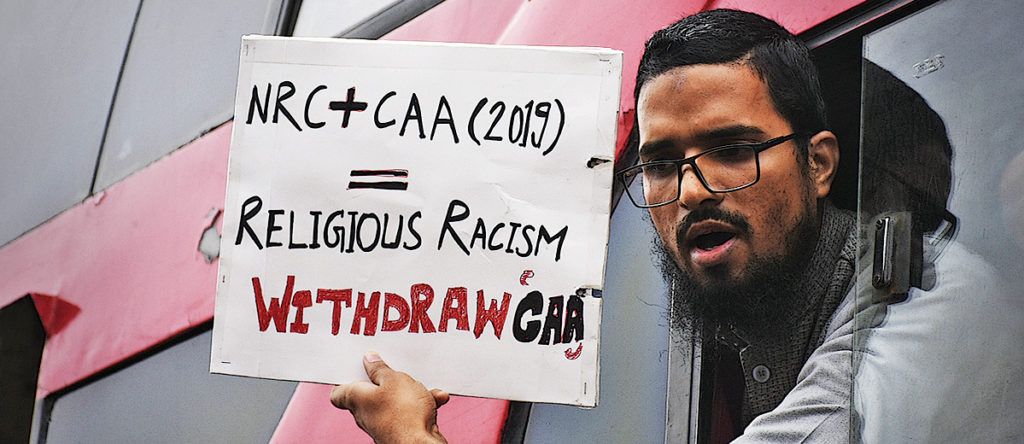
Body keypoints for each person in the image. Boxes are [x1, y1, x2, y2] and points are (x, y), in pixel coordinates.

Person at [333, 9, 848, 442]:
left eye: (732, 151)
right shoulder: (744, 316)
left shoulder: (885, 328)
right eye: (660, 165)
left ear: (818, 163)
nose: (691, 190)